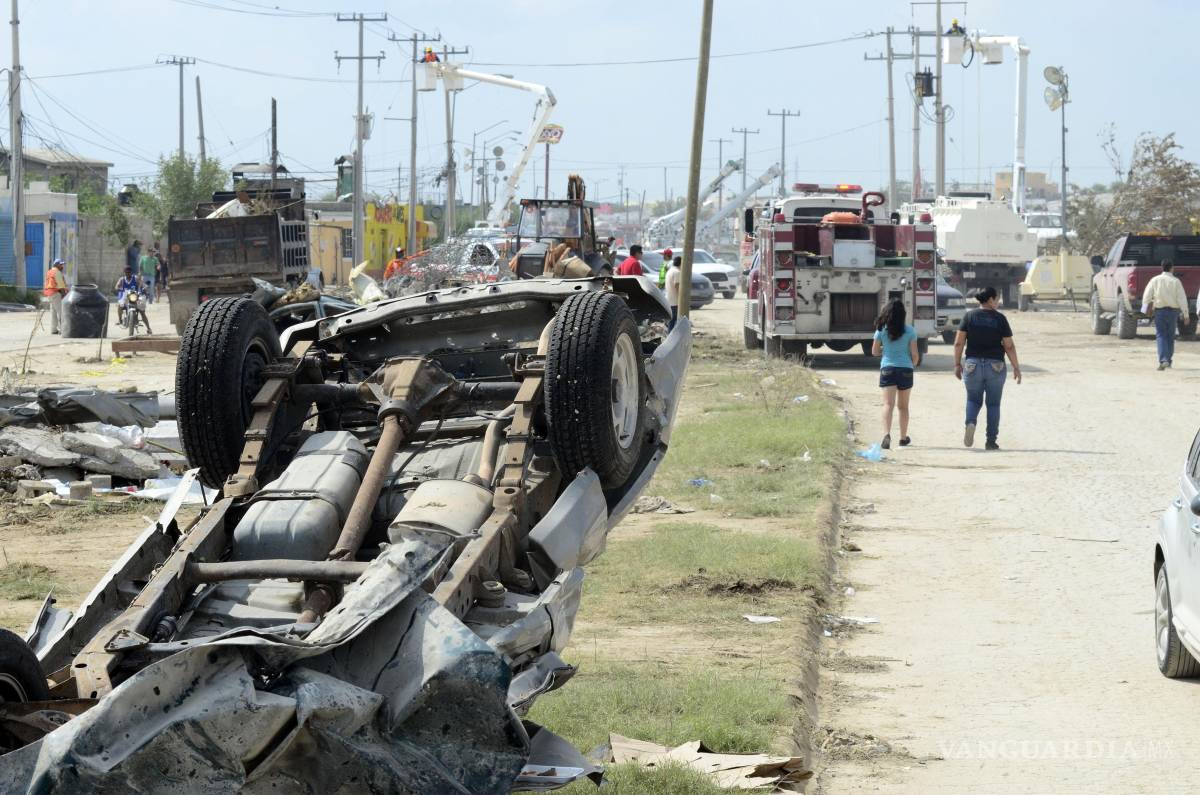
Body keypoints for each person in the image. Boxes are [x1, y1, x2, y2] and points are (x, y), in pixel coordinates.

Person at [954, 286, 1021, 450]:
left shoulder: (969, 317)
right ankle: (991, 441)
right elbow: (1009, 346)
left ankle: (970, 423)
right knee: (993, 404)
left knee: (972, 399)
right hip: (995, 366)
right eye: (997, 299)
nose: (998, 302)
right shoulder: (1000, 319)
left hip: (972, 365)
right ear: (990, 299)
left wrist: (957, 364)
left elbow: (958, 342)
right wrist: (1016, 367)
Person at [871, 298, 920, 449]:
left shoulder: (881, 330)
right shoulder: (910, 330)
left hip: (888, 369)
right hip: (905, 369)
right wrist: (913, 364)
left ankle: (886, 434)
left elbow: (874, 352)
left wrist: (885, 352)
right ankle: (903, 438)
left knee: (887, 404)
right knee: (903, 407)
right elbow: (915, 354)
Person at [1141, 259, 1189, 370]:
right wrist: (1186, 315)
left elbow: (1146, 296)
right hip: (1173, 312)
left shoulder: (1155, 280)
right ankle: (1168, 360)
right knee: (1170, 336)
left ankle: (1164, 360)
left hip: (1159, 311)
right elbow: (1182, 299)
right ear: (1172, 268)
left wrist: (1143, 311)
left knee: (1161, 335)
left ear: (1162, 267)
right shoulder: (1176, 281)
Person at [114, 267, 152, 333]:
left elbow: (141, 284)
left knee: (142, 312)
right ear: (124, 273)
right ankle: (120, 320)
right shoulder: (122, 279)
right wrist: (117, 288)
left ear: (131, 272)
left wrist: (145, 288)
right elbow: (117, 286)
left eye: (129, 272)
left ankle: (149, 328)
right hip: (125, 296)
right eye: (126, 272)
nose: (128, 274)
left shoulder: (135, 278)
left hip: (134, 295)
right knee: (120, 305)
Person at [42, 258, 67, 334]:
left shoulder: (49, 272)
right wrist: (64, 295)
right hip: (55, 293)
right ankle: (63, 330)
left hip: (49, 294)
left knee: (53, 312)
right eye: (61, 264)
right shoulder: (57, 272)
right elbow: (60, 285)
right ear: (56, 265)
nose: (62, 266)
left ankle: (53, 329)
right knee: (61, 312)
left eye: (62, 264)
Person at [664, 255, 682, 330]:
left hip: (669, 299)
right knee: (673, 321)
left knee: (671, 321)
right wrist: (681, 298)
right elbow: (677, 285)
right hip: (675, 301)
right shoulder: (677, 272)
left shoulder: (670, 271)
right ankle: (671, 337)